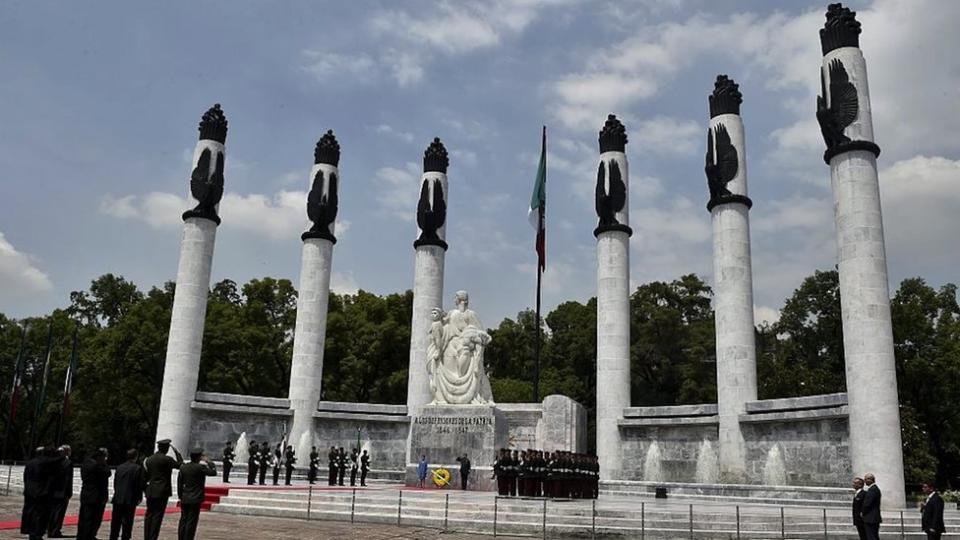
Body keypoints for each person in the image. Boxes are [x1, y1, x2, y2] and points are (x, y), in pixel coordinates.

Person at [143, 439, 184, 540]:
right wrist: (177, 453)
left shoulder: (148, 459)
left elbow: (144, 476)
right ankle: (152, 537)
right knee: (157, 516)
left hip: (150, 490)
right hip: (162, 491)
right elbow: (180, 465)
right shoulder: (167, 459)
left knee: (149, 515)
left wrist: (145, 489)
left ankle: (147, 537)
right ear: (166, 449)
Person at [22, 446, 63, 540]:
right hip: (40, 493)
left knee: (30, 513)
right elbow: (58, 460)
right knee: (40, 515)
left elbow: (25, 477)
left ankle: (31, 533)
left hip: (29, 491)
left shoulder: (31, 462)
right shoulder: (43, 462)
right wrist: (60, 454)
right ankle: (36, 534)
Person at [177, 448, 216, 540]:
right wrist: (209, 462)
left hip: (185, 497)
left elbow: (179, 483)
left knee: (183, 519)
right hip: (196, 497)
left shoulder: (183, 467)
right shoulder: (200, 468)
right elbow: (213, 472)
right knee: (192, 521)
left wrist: (180, 496)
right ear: (199, 457)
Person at [109, 449, 145, 540]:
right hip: (130, 499)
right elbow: (138, 485)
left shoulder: (120, 467)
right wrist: (139, 497)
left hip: (118, 498)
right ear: (135, 457)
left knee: (115, 522)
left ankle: (113, 537)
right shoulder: (137, 468)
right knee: (127, 523)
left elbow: (115, 482)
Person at [76, 447, 111, 540]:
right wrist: (105, 463)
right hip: (96, 496)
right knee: (93, 518)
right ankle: (89, 535)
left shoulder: (86, 464)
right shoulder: (97, 466)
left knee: (83, 517)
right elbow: (108, 472)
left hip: (86, 494)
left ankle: (81, 535)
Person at [47, 445, 73, 538]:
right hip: (62, 492)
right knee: (59, 513)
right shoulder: (68, 463)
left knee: (52, 511)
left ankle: (50, 529)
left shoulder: (52, 461)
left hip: (52, 491)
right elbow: (68, 479)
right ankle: (55, 530)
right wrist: (69, 492)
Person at [861, 473, 882, 540]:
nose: (864, 481)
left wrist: (862, 512)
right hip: (873, 518)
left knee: (871, 536)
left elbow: (867, 504)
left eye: (865, 479)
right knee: (874, 536)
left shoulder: (873, 490)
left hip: (871, 518)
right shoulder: (874, 489)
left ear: (870, 480)